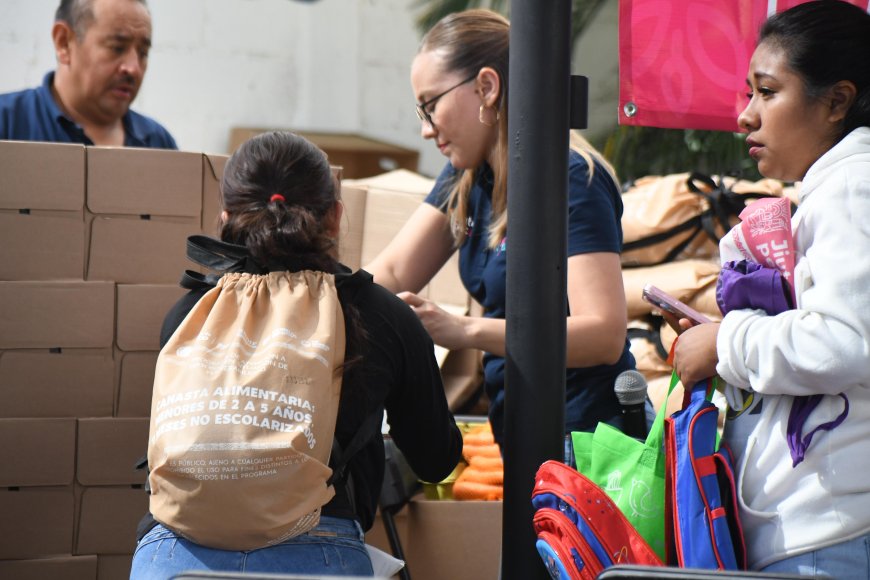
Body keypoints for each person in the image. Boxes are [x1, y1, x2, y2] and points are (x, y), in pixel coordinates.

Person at [129, 131, 463, 578]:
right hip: (318, 553)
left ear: (225, 216)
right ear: (335, 217)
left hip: (173, 555)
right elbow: (435, 461)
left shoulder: (191, 313)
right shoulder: (380, 315)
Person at [365, 9, 636, 451]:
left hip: (582, 440)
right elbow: (392, 272)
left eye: (431, 105)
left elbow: (604, 335)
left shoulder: (571, 179)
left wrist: (466, 331)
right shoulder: (466, 179)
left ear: (487, 88)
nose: (425, 129)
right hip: (520, 432)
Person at [671, 1, 870, 576]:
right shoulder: (834, 188)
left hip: (831, 538)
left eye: (767, 92)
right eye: (748, 93)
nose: (745, 116)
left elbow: (844, 340)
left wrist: (723, 344)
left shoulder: (852, 186)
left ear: (836, 101)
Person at [0, 0, 177, 148]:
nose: (133, 68)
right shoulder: (7, 124)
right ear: (64, 43)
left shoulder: (159, 143)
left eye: (143, 53)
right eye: (117, 48)